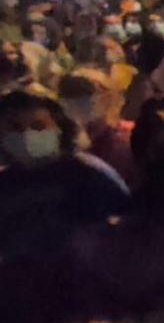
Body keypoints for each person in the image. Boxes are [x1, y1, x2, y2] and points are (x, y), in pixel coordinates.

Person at [0, 85, 130, 261]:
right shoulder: (7, 185)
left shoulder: (89, 175)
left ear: (58, 126)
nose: (26, 136)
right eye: (15, 129)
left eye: (38, 126)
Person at [55, 69, 137, 185]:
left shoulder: (129, 136)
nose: (76, 100)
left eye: (86, 93)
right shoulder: (62, 140)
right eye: (68, 94)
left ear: (108, 96)